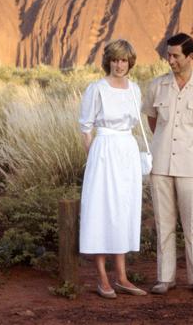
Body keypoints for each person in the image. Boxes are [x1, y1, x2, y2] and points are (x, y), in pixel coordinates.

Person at [141, 33, 193, 296]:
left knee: (192, 225)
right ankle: (165, 278)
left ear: (190, 56)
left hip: (191, 166)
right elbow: (152, 121)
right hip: (161, 164)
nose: (171, 60)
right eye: (168, 55)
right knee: (164, 224)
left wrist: (191, 145)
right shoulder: (157, 86)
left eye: (176, 55)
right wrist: (165, 143)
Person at [78, 39, 147, 299]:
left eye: (124, 60)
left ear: (130, 62)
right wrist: (94, 156)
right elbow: (86, 127)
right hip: (104, 150)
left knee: (123, 209)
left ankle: (122, 277)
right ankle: (103, 277)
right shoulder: (97, 88)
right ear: (108, 61)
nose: (120, 65)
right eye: (116, 60)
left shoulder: (135, 89)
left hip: (127, 149)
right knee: (101, 208)